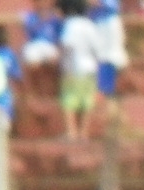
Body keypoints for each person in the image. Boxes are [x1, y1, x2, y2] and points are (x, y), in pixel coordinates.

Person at [51, 0, 97, 134]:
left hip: (72, 69)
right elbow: (96, 48)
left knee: (68, 100)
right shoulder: (89, 25)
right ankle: (83, 132)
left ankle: (71, 132)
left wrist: (56, 56)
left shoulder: (70, 25)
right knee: (87, 102)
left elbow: (67, 44)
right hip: (89, 69)